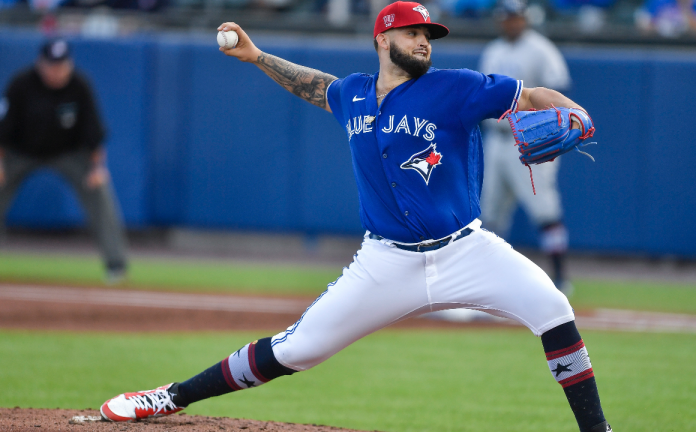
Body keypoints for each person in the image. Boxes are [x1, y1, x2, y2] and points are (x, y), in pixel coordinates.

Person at [99, 3, 611, 431]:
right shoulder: (355, 94)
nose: (424, 42)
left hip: (466, 250)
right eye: (412, 33)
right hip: (385, 263)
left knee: (553, 307)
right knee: (296, 349)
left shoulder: (458, 87)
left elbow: (533, 96)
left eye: (428, 35)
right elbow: (316, 85)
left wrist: (580, 115)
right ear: (383, 39)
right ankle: (168, 397)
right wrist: (255, 56)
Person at [0, 38, 128, 283]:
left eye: (61, 65)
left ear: (69, 64)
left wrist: (97, 168)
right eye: (51, 65)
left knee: (99, 190)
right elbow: (3, 129)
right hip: (20, 152)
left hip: (68, 153)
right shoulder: (21, 84)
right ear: (41, 64)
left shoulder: (79, 85)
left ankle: (116, 264)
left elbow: (93, 133)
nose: (56, 71)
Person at [479, 0, 574, 296]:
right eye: (507, 17)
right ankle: (487, 282)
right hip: (496, 139)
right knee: (489, 215)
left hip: (532, 141)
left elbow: (559, 91)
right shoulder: (493, 51)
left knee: (545, 211)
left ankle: (560, 278)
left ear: (525, 18)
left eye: (516, 16)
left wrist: (548, 128)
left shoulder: (540, 48)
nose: (511, 22)